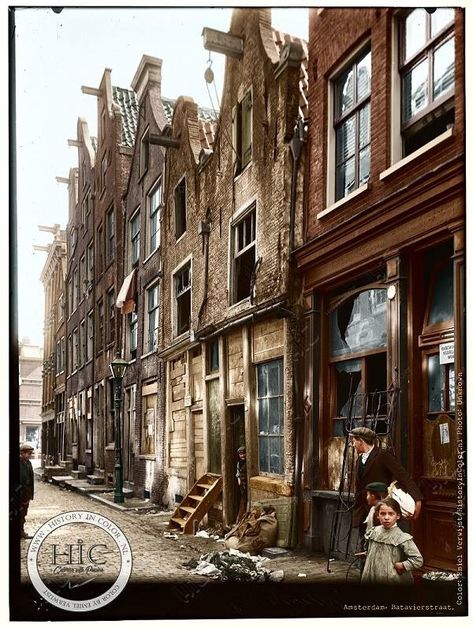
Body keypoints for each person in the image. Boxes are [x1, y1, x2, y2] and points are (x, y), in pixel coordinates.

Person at [349, 427, 422, 541]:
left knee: (381, 542)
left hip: (381, 509)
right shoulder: (360, 460)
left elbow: (403, 476)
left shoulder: (383, 455)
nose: (353, 444)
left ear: (361, 441)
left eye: (354, 441)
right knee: (365, 544)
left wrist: (417, 499)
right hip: (363, 509)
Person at [361, 497, 423, 584]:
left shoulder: (402, 538)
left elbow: (418, 560)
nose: (386, 517)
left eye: (391, 514)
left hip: (390, 578)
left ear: (397, 516)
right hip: (371, 575)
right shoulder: (373, 532)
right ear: (378, 515)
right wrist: (368, 553)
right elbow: (369, 548)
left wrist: (403, 565)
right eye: (383, 514)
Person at [19, 442, 35, 539]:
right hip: (20, 493)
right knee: (19, 513)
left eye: (30, 454)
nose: (29, 455)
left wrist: (30, 493)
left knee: (24, 513)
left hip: (27, 493)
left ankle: (21, 531)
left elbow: (31, 478)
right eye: (28, 453)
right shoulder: (18, 464)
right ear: (22, 453)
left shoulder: (28, 463)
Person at [236, 446, 247, 521]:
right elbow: (238, 473)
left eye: (244, 453)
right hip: (242, 484)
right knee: (243, 498)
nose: (242, 455)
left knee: (246, 498)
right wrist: (238, 479)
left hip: (247, 483)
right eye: (240, 454)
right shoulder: (239, 463)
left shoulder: (248, 462)